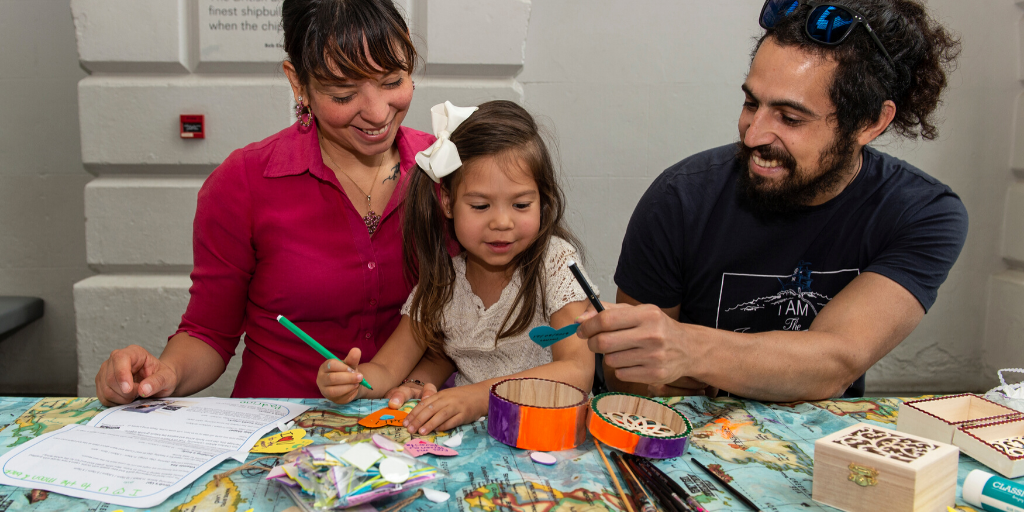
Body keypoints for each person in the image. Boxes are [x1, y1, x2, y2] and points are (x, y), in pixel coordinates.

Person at [578, 0, 967, 402]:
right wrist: (655, 365)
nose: (753, 135)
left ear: (871, 122)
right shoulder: (679, 199)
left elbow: (833, 364)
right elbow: (629, 378)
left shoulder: (923, 214)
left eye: (790, 118)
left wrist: (691, 351)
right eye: (751, 104)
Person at [93, 0, 435, 406]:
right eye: (343, 94)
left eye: (393, 80)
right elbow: (209, 333)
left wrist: (419, 381)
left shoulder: (445, 172)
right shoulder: (243, 182)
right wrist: (164, 374)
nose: (379, 112)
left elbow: (468, 315)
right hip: (275, 431)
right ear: (298, 83)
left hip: (413, 424)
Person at [317, 100, 596, 434]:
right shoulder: (443, 282)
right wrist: (351, 381)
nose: (502, 222)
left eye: (521, 204)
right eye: (480, 205)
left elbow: (577, 371)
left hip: (553, 434)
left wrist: (476, 398)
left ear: (542, 200)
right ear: (448, 203)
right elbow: (386, 370)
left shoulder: (555, 262)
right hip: (476, 445)